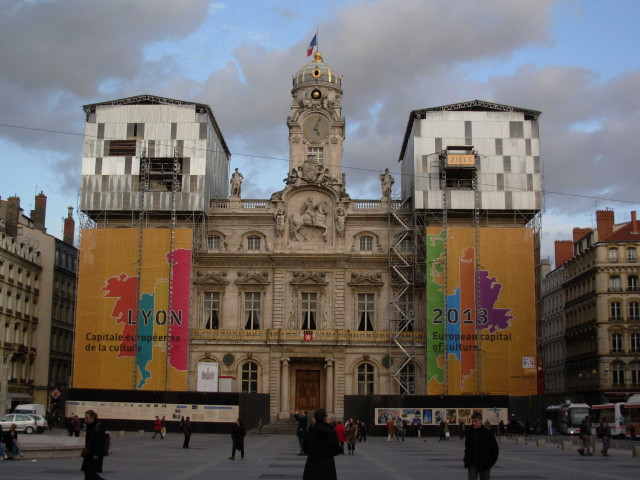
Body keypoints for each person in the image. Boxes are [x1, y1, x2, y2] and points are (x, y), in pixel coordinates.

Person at [302, 408, 341, 480]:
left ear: (315, 419)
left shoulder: (309, 432)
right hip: (327, 469)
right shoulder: (331, 432)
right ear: (325, 418)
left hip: (311, 470)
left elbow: (305, 450)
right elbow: (337, 451)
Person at [464, 412, 499, 480]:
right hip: (472, 463)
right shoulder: (469, 433)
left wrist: (490, 463)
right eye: (473, 421)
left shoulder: (487, 433)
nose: (474, 423)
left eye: (476, 421)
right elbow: (467, 448)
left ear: (480, 421)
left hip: (484, 463)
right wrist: (467, 459)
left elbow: (495, 449)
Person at [81, 410, 105, 480]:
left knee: (91, 474)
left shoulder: (99, 426)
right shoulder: (88, 426)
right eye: (85, 418)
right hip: (88, 454)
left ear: (93, 417)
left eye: (87, 418)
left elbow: (101, 441)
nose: (86, 420)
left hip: (95, 455)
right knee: (87, 474)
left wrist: (97, 454)